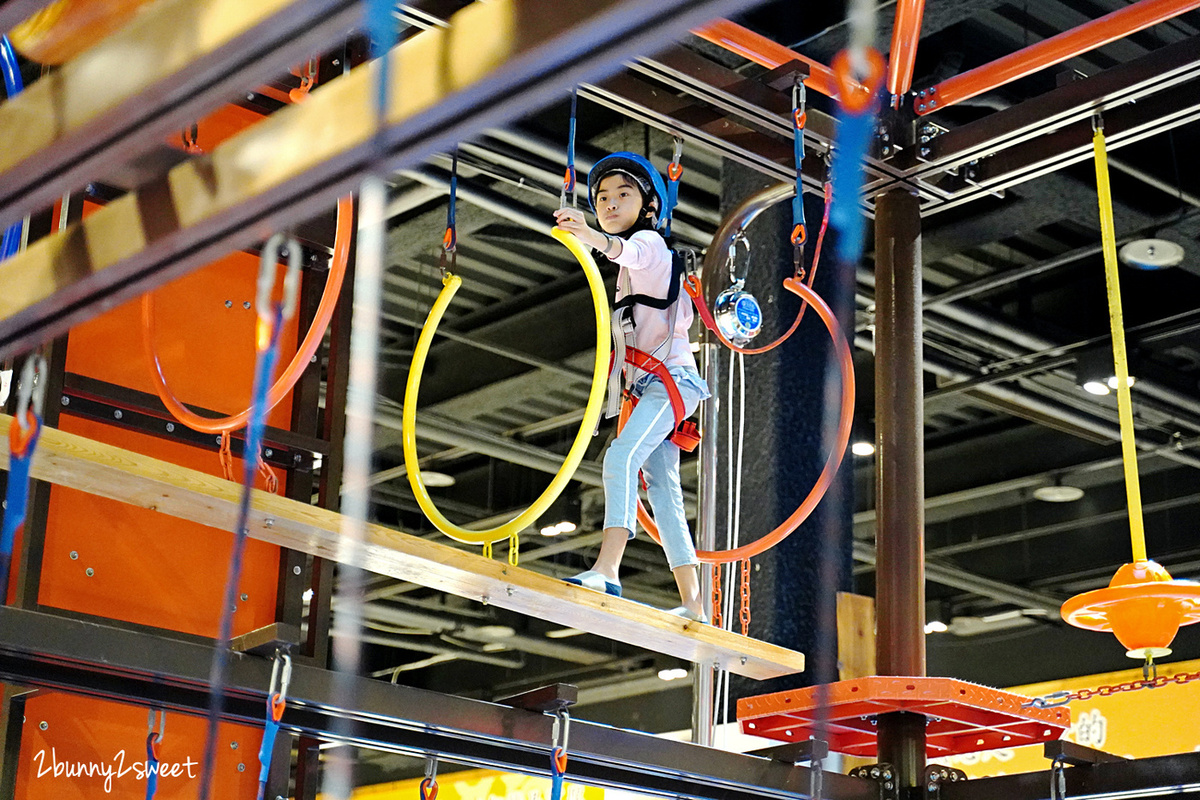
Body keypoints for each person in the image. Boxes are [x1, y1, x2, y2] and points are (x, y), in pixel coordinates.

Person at [552, 152, 711, 623]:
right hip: (651, 386)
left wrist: (589, 234)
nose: (609, 202)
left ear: (647, 208)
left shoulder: (650, 248)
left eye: (623, 195)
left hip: (671, 383)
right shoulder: (632, 265)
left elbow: (631, 250)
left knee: (620, 458)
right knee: (664, 491)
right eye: (602, 197)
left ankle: (608, 567)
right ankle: (696, 604)